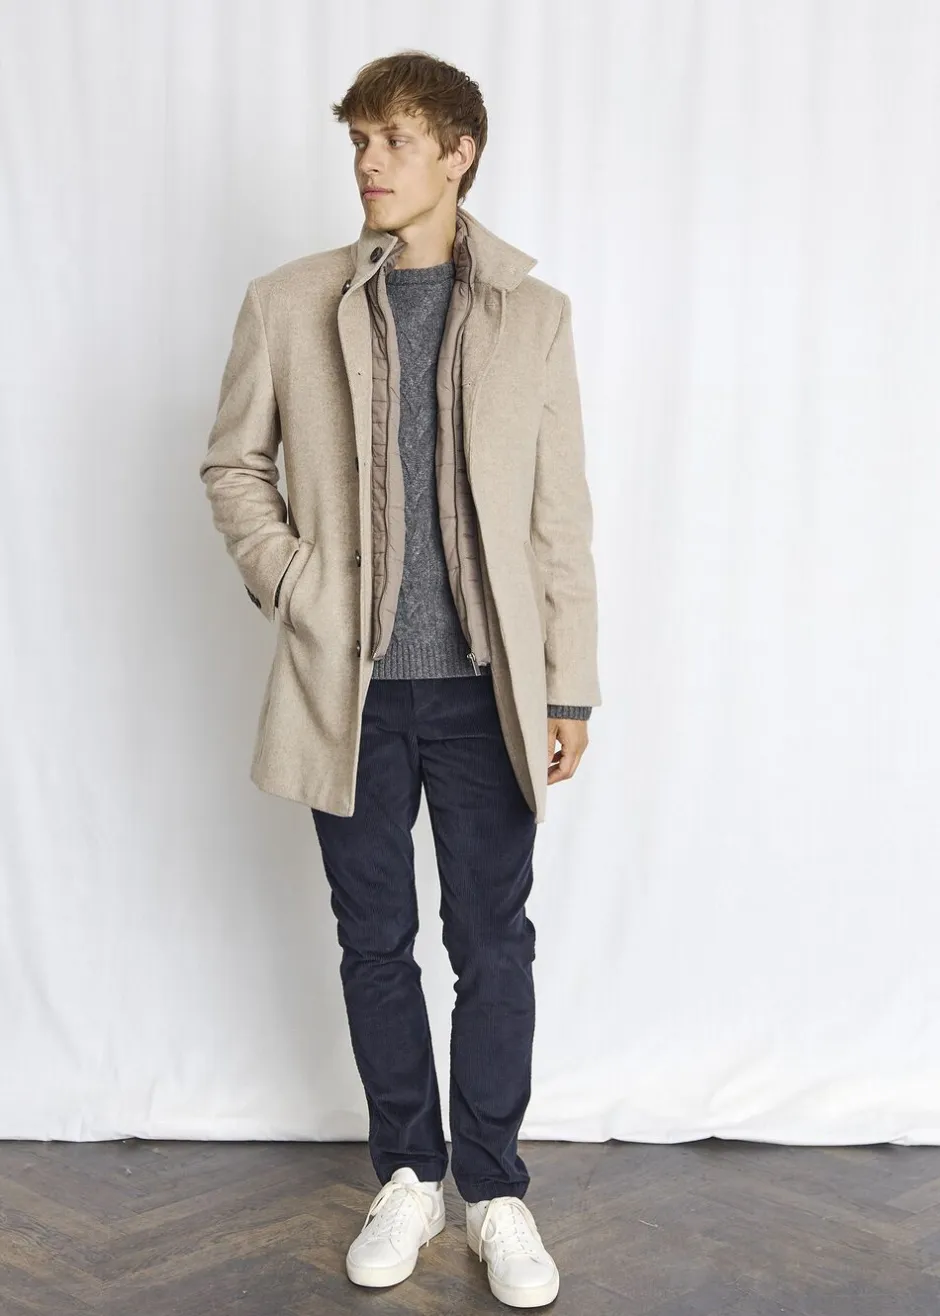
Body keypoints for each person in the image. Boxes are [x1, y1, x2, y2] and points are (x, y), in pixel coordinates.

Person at [200, 48, 601, 1310]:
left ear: (458, 153)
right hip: (351, 689)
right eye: (359, 141)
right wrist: (298, 581)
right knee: (373, 940)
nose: (369, 163)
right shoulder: (289, 301)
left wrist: (570, 686)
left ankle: (494, 1188)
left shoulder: (533, 314)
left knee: (492, 942)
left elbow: (557, 515)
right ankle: (410, 1174)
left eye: (394, 140)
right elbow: (232, 466)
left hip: (487, 688)